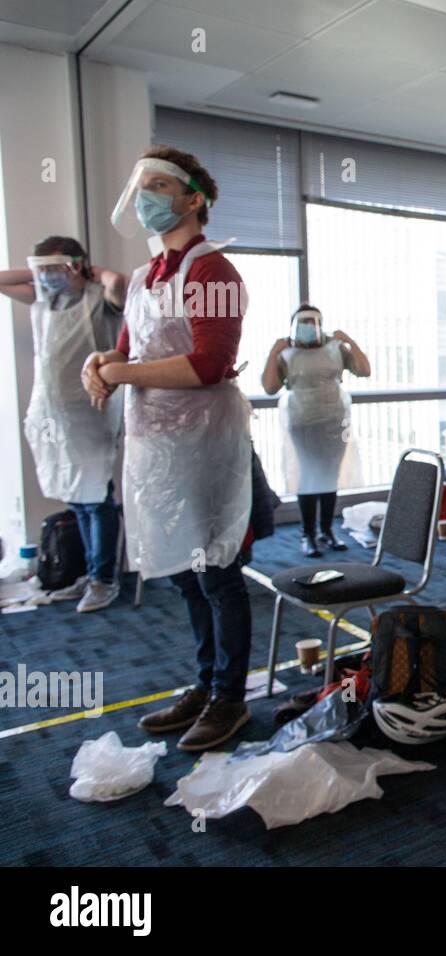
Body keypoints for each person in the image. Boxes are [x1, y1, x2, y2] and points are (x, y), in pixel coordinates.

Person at [82, 145, 255, 751]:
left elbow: (210, 364)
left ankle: (229, 696)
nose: (146, 196)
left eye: (160, 185)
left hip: (205, 443)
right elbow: (127, 350)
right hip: (156, 443)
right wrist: (100, 362)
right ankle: (205, 682)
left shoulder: (213, 272)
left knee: (215, 571)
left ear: (194, 199)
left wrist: (121, 375)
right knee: (182, 569)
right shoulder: (144, 276)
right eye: (142, 186)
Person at [0, 238, 127, 611]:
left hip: (91, 412)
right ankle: (88, 574)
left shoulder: (97, 298)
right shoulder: (44, 301)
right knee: (77, 498)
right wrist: (40, 269)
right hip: (53, 415)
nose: (47, 277)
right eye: (43, 270)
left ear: (76, 265)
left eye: (54, 268)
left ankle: (105, 579)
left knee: (97, 499)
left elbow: (118, 282)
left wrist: (86, 270)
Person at [261, 304, 370, 557]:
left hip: (334, 418)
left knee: (329, 475)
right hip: (302, 421)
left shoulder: (335, 349)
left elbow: (364, 370)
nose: (309, 327)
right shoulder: (287, 353)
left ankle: (327, 531)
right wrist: (274, 351)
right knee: (308, 475)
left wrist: (349, 341)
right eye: (304, 322)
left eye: (313, 322)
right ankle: (307, 534)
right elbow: (269, 387)